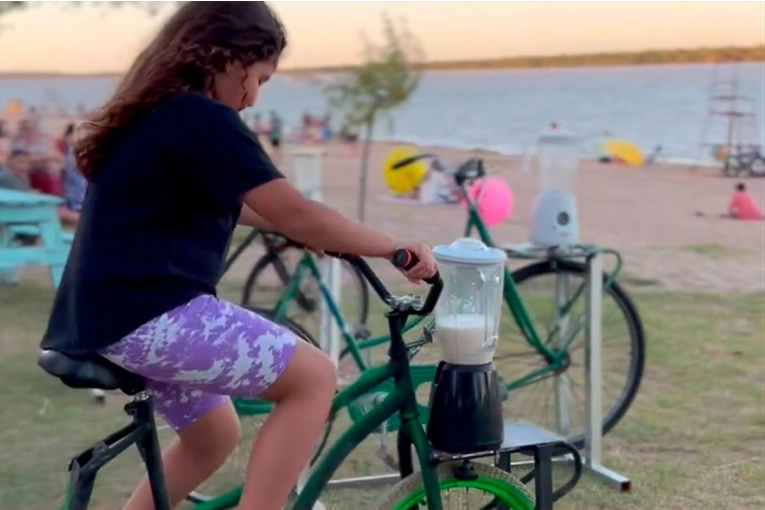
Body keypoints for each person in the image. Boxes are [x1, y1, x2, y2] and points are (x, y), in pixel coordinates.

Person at [40, 3, 437, 510]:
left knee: (214, 435)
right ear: (229, 58)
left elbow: (248, 208)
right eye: (260, 79)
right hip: (150, 315)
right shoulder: (204, 119)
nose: (252, 98)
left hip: (109, 316)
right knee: (314, 378)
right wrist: (393, 248)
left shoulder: (160, 112)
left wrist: (321, 233)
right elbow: (295, 212)